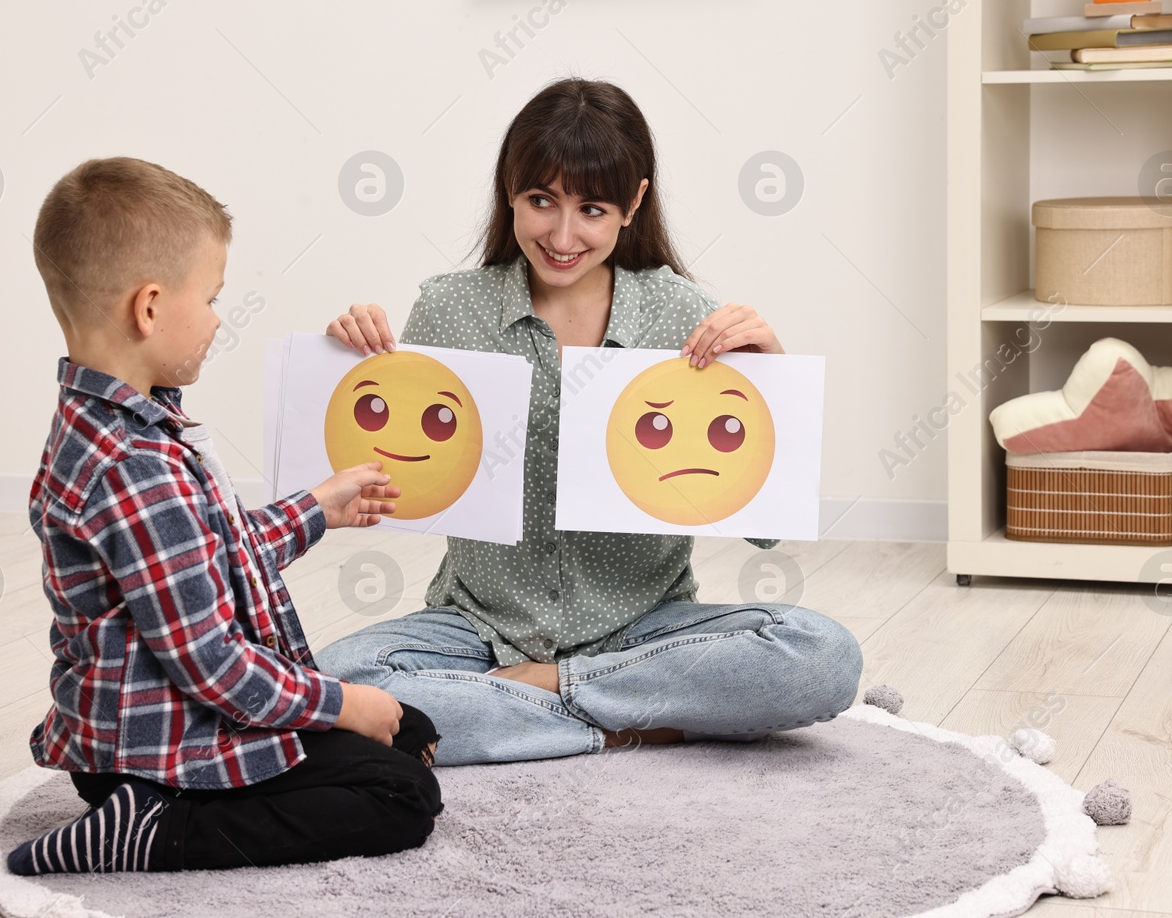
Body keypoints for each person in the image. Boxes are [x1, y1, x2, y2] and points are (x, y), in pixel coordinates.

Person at [314, 78, 863, 765]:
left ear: (633, 203)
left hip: (645, 630)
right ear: (509, 190)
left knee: (823, 656)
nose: (562, 234)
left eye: (592, 208)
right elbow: (386, 477)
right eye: (541, 200)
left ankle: (536, 700)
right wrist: (349, 365)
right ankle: (625, 725)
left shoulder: (684, 317)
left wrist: (769, 380)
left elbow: (764, 529)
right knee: (334, 681)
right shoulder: (448, 310)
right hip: (476, 627)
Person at [8, 157, 442, 875]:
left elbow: (209, 557)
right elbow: (213, 663)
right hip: (162, 753)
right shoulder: (135, 464)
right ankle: (156, 832)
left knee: (406, 727)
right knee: (400, 794)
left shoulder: (119, 427)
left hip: (148, 734)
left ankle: (160, 811)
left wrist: (316, 509)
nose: (217, 318)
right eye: (210, 298)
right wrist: (337, 703)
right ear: (149, 307)